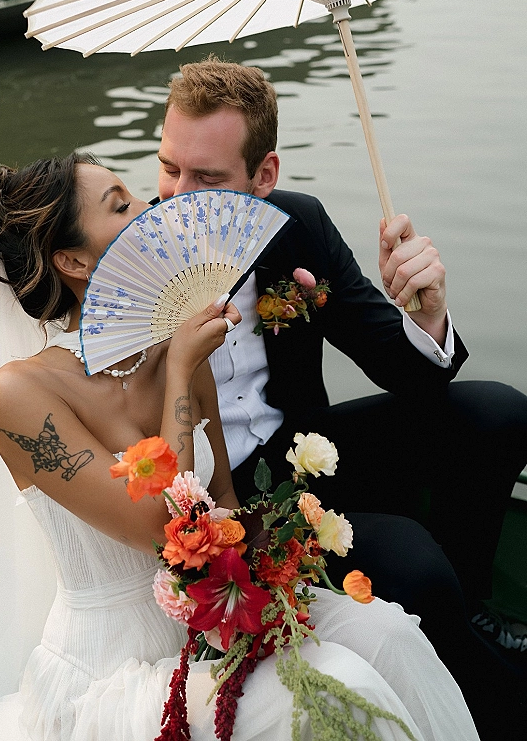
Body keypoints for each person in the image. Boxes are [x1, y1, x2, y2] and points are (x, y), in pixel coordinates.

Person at [0, 152, 480, 741]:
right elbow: (161, 529)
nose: (150, 209)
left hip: (220, 618)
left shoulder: (171, 344)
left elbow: (222, 503)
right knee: (345, 686)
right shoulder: (19, 394)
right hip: (114, 666)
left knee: (390, 637)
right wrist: (180, 369)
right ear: (73, 260)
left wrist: (288, 539)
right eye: (121, 206)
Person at [155, 57, 527, 736]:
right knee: (415, 564)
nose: (178, 197)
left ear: (264, 176)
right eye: (168, 168)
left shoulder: (297, 224)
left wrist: (424, 315)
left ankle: (467, 609)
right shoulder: (130, 263)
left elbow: (399, 363)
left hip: (302, 453)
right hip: (216, 497)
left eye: (206, 178)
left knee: (498, 414)